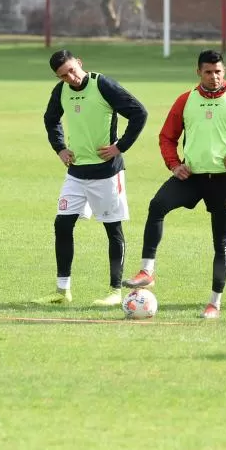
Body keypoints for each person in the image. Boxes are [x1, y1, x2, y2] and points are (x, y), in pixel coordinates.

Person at [122, 50, 226, 319]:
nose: (214, 77)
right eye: (208, 72)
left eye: (218, 72)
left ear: (224, 71)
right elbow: (167, 137)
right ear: (198, 72)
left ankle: (214, 303)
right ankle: (147, 271)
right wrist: (174, 164)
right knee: (157, 205)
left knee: (221, 243)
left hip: (223, 181)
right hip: (190, 177)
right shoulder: (186, 100)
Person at [37, 50, 148, 306]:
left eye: (72, 70)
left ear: (79, 63)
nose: (71, 78)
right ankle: (62, 291)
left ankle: (114, 291)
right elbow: (50, 119)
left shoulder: (103, 84)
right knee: (62, 225)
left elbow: (139, 113)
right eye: (63, 75)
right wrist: (60, 147)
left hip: (107, 174)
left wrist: (120, 146)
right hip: (76, 174)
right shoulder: (61, 91)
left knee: (112, 229)